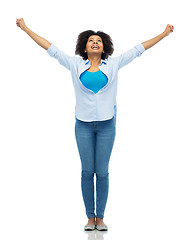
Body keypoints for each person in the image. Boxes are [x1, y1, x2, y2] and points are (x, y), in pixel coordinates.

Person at [16, 18, 174, 231]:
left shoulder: (114, 63)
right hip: (83, 126)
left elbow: (138, 49)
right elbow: (50, 47)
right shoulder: (74, 64)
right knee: (86, 171)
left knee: (102, 172)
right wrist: (26, 29)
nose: (95, 42)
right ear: (85, 46)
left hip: (107, 126)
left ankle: (101, 218)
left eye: (98, 40)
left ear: (104, 46)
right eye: (91, 40)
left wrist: (163, 35)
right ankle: (90, 218)